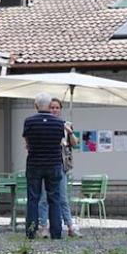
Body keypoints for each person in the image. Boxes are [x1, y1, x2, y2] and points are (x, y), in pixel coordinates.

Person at [22, 92, 69, 239]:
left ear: (36, 106)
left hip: (34, 164)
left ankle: (31, 231)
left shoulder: (29, 122)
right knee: (54, 198)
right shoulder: (59, 123)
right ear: (50, 106)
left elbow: (27, 144)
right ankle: (56, 233)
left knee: (33, 198)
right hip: (54, 164)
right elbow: (60, 142)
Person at [37, 97, 80, 236]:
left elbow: (75, 143)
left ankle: (70, 226)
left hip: (60, 165)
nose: (54, 110)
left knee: (63, 197)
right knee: (44, 197)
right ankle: (43, 226)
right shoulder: (44, 124)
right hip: (46, 164)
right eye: (52, 107)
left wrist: (70, 131)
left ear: (60, 110)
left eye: (57, 108)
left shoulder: (66, 125)